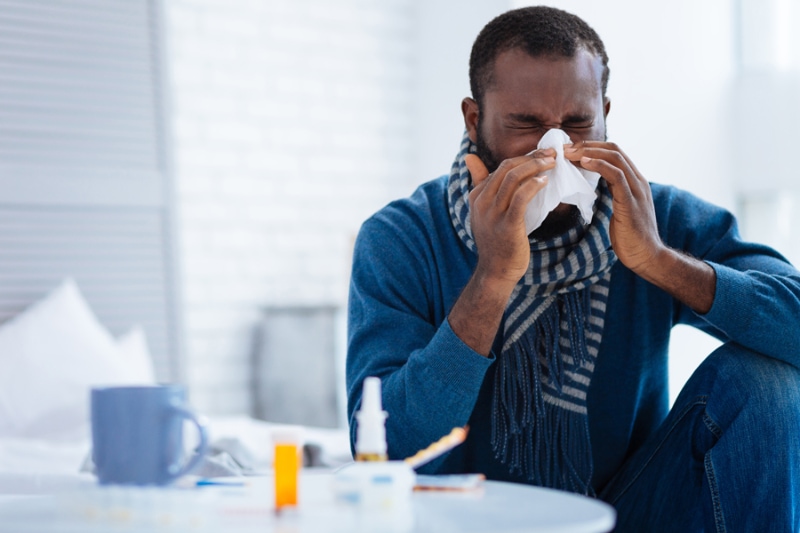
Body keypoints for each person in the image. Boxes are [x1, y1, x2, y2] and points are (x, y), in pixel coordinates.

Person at [346, 6, 800, 531]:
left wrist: (657, 260)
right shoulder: (403, 238)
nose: (557, 150)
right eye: (525, 126)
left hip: (622, 514)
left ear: (606, 113)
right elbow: (384, 450)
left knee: (766, 381)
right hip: (461, 520)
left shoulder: (653, 216)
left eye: (579, 124)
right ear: (475, 119)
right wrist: (492, 278)